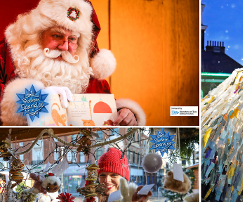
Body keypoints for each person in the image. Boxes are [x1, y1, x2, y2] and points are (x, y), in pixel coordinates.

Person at [0, 0, 146, 126]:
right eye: (57, 36)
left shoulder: (84, 69)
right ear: (38, 35)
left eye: (72, 39)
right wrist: (36, 99)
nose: (65, 47)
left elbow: (107, 108)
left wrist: (126, 114)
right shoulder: (9, 54)